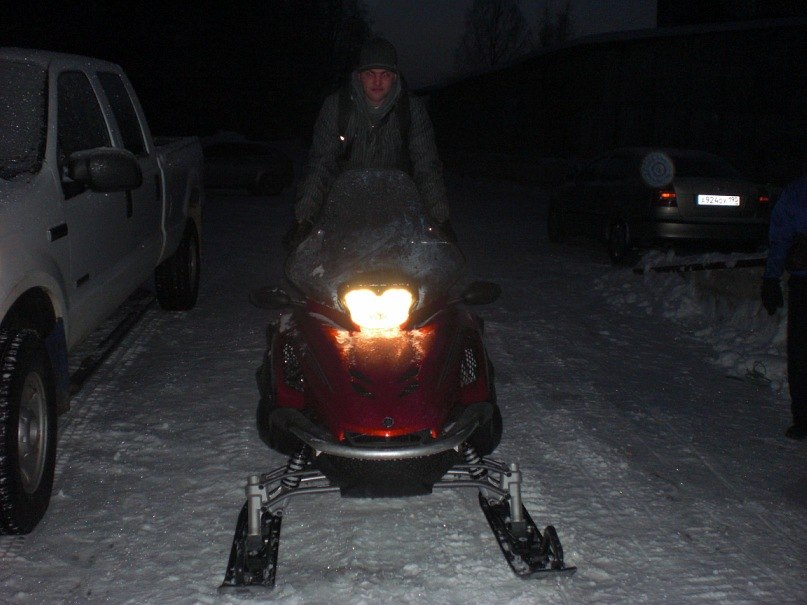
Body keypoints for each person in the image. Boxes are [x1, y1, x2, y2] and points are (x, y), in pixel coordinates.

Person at [284, 37, 452, 249]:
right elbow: (321, 163)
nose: (377, 81)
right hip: (342, 213)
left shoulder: (412, 110)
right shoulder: (336, 107)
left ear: (394, 77)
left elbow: (426, 165)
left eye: (385, 75)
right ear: (359, 76)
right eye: (370, 74)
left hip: (397, 214)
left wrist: (440, 218)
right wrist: (304, 219)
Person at [761, 170, 807, 441]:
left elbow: (781, 238)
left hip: (803, 284)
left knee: (801, 354)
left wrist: (771, 277)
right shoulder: (797, 192)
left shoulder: (797, 191)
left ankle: (802, 419)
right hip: (803, 283)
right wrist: (770, 277)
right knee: (800, 354)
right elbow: (782, 238)